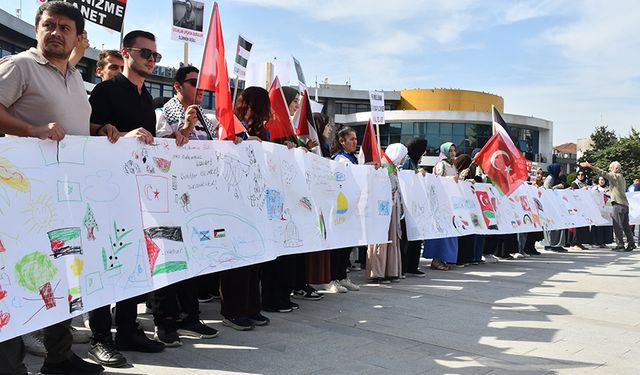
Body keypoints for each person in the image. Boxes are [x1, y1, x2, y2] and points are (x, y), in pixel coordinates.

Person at [0, 2, 106, 374]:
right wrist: (31, 130)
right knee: (17, 279)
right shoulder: (20, 66)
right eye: (49, 25)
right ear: (37, 29)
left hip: (64, 199)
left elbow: (69, 126)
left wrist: (103, 132)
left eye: (65, 28)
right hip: (21, 202)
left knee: (63, 273)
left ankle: (59, 358)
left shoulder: (74, 75)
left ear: (78, 38)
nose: (56, 33)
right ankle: (10, 367)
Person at [87, 30, 166, 367]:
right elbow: (86, 131)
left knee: (135, 261)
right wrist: (112, 132)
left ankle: (128, 330)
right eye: (145, 52)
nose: (150, 59)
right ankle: (100, 337)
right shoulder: (106, 89)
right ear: (126, 52)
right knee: (106, 261)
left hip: (138, 194)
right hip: (105, 194)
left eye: (155, 55)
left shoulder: (146, 97)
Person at [151, 65, 219, 347]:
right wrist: (185, 128)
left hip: (196, 198)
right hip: (168, 197)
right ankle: (165, 322)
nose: (199, 89)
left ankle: (190, 315)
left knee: (192, 258)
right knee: (168, 258)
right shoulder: (162, 114)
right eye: (193, 83)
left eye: (203, 85)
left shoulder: (206, 117)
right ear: (177, 86)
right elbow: (157, 148)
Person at [217, 86, 271, 331]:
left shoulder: (264, 132)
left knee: (255, 258)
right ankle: (232, 310)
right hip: (234, 200)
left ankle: (251, 306)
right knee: (236, 258)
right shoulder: (232, 124)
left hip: (256, 201)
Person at [325, 125, 362, 292]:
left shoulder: (352, 158)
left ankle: (342, 276)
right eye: (351, 139)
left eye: (355, 139)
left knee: (347, 244)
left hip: (351, 210)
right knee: (338, 246)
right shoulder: (340, 159)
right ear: (342, 141)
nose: (355, 142)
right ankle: (332, 279)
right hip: (340, 209)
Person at [366, 143, 405, 282]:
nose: (404, 159)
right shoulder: (382, 167)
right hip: (382, 207)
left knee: (391, 237)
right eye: (403, 156)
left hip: (392, 206)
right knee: (381, 237)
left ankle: (389, 270)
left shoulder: (393, 168)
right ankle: (377, 272)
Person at [580, 161, 636, 251]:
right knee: (626, 226)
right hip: (624, 204)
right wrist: (609, 190)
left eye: (611, 167)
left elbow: (603, 173)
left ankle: (620, 244)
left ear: (616, 169)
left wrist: (590, 166)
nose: (609, 169)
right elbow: (617, 188)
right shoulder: (621, 177)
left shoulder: (615, 176)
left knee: (617, 225)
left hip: (618, 204)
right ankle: (631, 243)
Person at [423, 142, 459, 270]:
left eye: (454, 151)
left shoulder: (453, 166)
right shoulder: (441, 165)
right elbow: (436, 182)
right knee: (441, 233)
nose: (453, 153)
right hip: (441, 203)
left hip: (450, 203)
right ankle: (437, 259)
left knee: (450, 232)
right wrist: (451, 179)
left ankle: (446, 258)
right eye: (450, 151)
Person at [400, 138, 428, 276]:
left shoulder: (414, 162)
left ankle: (412, 265)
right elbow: (402, 177)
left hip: (415, 206)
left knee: (416, 237)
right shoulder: (406, 161)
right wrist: (415, 174)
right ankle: (405, 266)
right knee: (407, 238)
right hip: (406, 207)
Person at [541, 164, 569, 252]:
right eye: (560, 170)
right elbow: (546, 190)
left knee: (559, 227)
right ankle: (549, 244)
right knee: (551, 227)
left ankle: (557, 244)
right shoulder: (550, 178)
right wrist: (557, 186)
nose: (561, 172)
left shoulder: (556, 178)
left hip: (557, 205)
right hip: (550, 206)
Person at [568, 170, 591, 250]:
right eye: (579, 174)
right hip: (576, 207)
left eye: (582, 174)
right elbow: (574, 194)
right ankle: (574, 243)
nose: (581, 176)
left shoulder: (584, 184)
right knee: (577, 227)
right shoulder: (575, 183)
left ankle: (580, 242)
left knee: (583, 226)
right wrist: (582, 190)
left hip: (584, 208)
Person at [591, 177, 614, 247]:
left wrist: (611, 211)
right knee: (597, 227)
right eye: (600, 180)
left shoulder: (609, 189)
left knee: (605, 226)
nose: (601, 181)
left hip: (606, 210)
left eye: (603, 180)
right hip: (598, 210)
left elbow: (610, 199)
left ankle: (604, 242)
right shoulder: (595, 188)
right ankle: (596, 242)